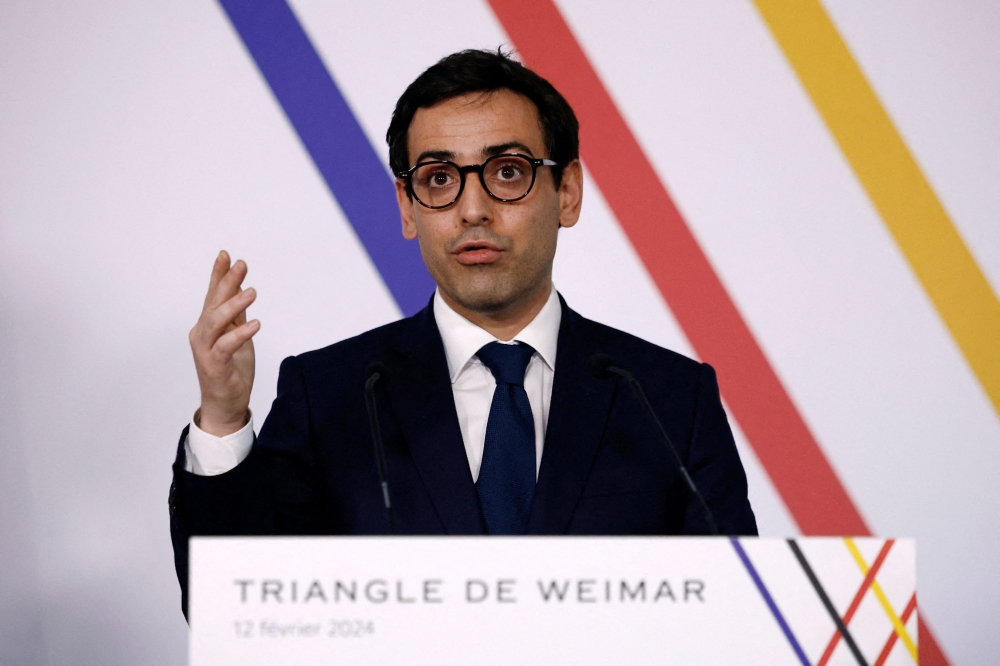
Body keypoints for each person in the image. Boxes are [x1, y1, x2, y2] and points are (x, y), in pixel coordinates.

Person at [169, 49, 757, 615]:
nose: (473, 209)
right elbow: (237, 615)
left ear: (568, 192)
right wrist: (222, 421)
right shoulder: (333, 395)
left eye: (507, 172)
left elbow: (739, 622)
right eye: (440, 178)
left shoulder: (668, 399)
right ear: (407, 206)